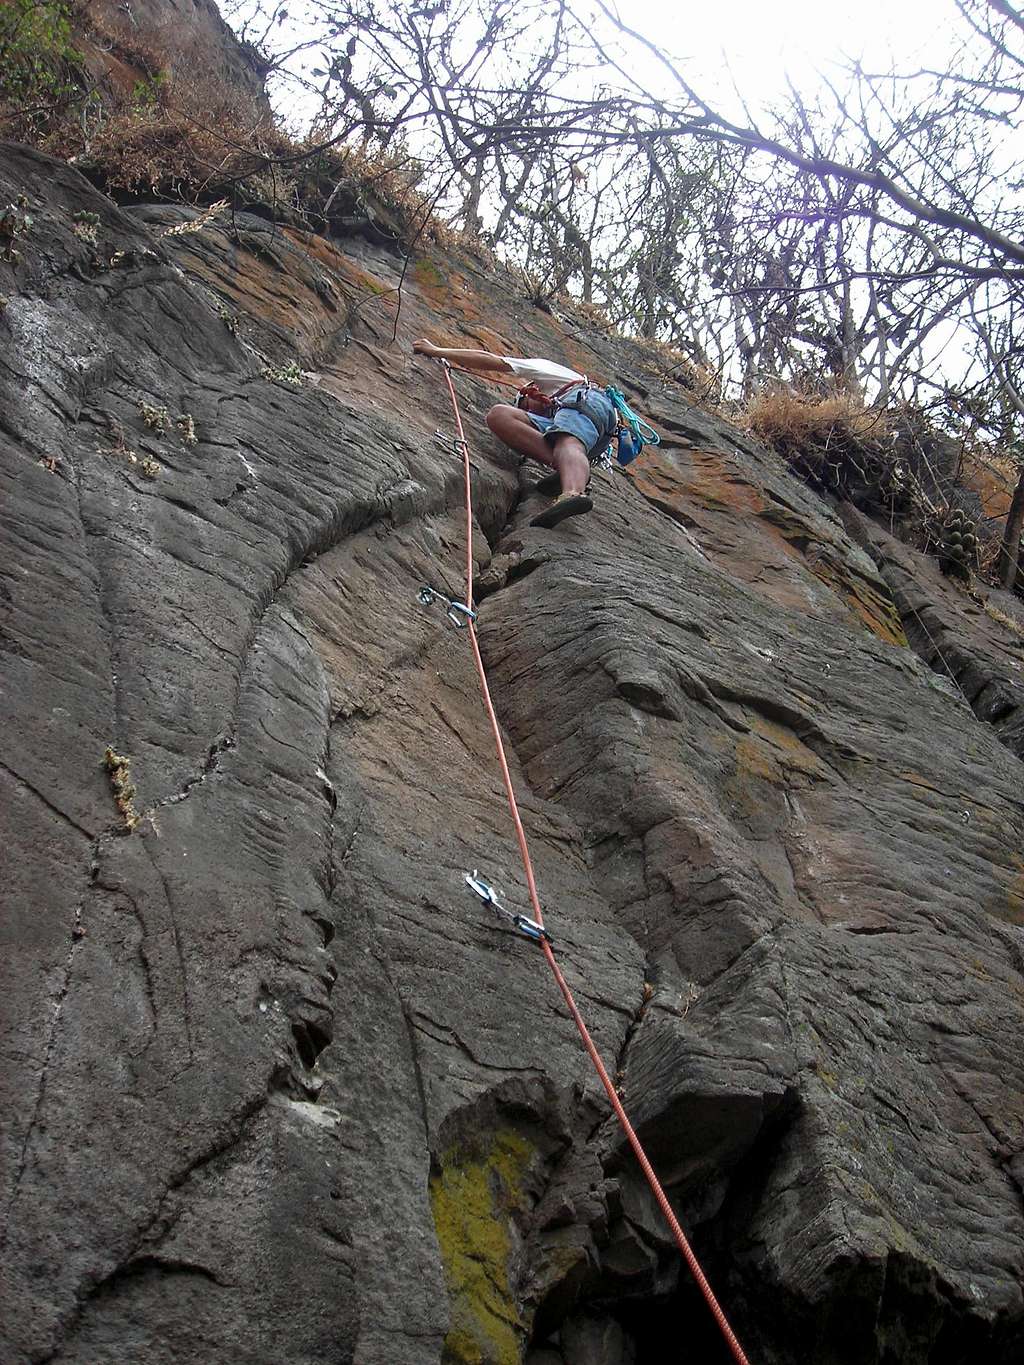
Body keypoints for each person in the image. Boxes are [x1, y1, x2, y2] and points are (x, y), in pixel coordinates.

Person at [412, 339, 616, 528]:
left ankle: (573, 493)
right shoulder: (555, 414)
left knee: (567, 441)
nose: (533, 414)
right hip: (592, 430)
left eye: (528, 406)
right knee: (499, 416)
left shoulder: (544, 370)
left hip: (587, 401)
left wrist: (436, 350)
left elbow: (492, 361)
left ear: (533, 389)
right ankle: (569, 471)